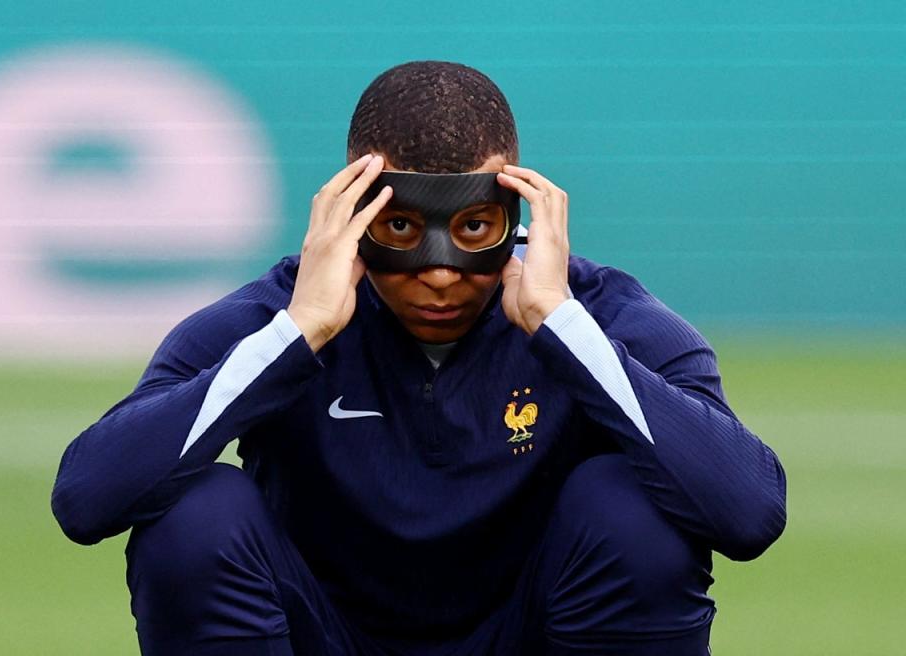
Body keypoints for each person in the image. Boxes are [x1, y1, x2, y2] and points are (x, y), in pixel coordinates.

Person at [52, 61, 787, 656]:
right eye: (400, 226)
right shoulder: (274, 318)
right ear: (349, 209)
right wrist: (295, 334)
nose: (439, 272)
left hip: (525, 635)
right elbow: (88, 499)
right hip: (325, 637)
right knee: (195, 513)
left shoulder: (603, 315)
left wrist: (563, 328)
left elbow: (749, 511)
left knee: (632, 507)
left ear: (521, 208)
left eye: (474, 227)